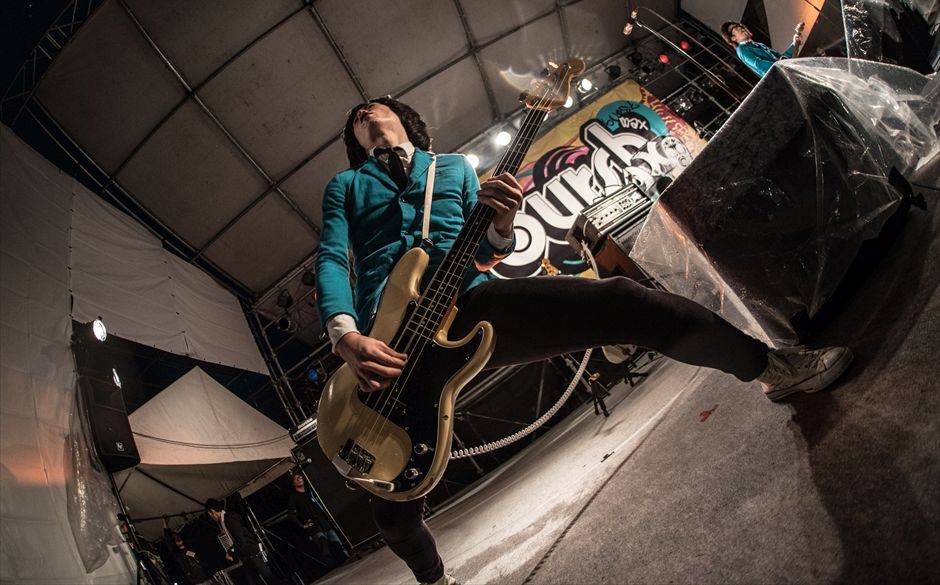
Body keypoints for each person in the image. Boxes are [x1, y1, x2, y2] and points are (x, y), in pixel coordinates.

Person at [315, 97, 853, 585]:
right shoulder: (346, 185)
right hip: (386, 338)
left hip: (468, 309)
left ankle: (771, 369)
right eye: (354, 115)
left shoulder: (452, 168)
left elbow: (482, 253)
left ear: (403, 117)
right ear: (354, 140)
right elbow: (335, 258)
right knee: (392, 508)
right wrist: (346, 336)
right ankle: (434, 581)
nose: (363, 110)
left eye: (375, 105)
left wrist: (502, 224)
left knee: (623, 302)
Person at [204, 498, 282, 585]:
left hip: (252, 553)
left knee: (269, 578)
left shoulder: (229, 518)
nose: (211, 517)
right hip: (246, 556)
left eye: (210, 514)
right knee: (256, 581)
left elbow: (241, 540)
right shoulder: (224, 520)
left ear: (212, 511)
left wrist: (230, 552)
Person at [286, 470, 349, 567]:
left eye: (300, 477)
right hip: (314, 527)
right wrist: (302, 525)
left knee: (338, 545)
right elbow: (291, 514)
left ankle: (348, 560)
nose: (299, 479)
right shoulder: (293, 497)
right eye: (296, 479)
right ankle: (334, 568)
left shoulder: (310, 492)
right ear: (293, 483)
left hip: (325, 524)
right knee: (325, 550)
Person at [721, 21, 804, 77]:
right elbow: (759, 64)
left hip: (786, 74)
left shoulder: (759, 45)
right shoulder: (741, 50)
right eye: (735, 28)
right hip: (780, 79)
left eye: (739, 26)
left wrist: (794, 44)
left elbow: (781, 58)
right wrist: (782, 66)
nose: (740, 28)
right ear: (733, 38)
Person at [162, 517, 213, 585]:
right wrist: (165, 523)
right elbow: (167, 539)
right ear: (173, 542)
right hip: (199, 580)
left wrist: (185, 519)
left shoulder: (187, 547)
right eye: (175, 538)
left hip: (205, 578)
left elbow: (189, 532)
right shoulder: (177, 553)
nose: (177, 538)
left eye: (177, 537)